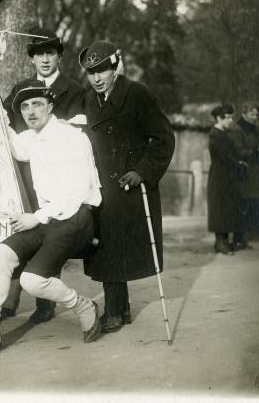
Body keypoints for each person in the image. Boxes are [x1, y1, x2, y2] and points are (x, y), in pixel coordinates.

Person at [0, 81, 103, 353]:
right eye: (25, 107)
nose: (30, 112)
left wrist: (37, 218)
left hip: (76, 217)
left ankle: (83, 305)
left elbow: (75, 193)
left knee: (32, 280)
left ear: (50, 107)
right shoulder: (32, 137)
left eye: (37, 104)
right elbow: (15, 145)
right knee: (0, 254)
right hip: (47, 218)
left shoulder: (73, 137)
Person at [0, 27, 86, 324]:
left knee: (51, 235)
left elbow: (80, 127)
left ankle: (45, 303)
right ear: (31, 59)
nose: (44, 59)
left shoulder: (76, 90)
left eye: (49, 53)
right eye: (38, 54)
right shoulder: (22, 88)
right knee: (23, 237)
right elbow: (9, 126)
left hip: (59, 176)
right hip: (28, 174)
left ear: (59, 56)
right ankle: (9, 301)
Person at [79, 40, 175, 334]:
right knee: (105, 247)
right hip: (100, 186)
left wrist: (141, 172)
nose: (96, 78)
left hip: (129, 184)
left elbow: (163, 138)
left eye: (102, 71)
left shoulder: (137, 94)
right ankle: (117, 308)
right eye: (91, 72)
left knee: (120, 245)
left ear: (115, 67)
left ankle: (116, 311)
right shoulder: (87, 100)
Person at [207, 103, 242, 254]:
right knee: (219, 208)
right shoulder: (215, 134)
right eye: (227, 118)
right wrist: (238, 163)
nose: (230, 121)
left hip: (227, 175)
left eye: (231, 118)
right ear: (218, 119)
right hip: (220, 175)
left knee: (227, 207)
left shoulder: (225, 134)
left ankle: (224, 241)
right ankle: (220, 242)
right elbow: (224, 156)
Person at [229, 102, 259, 248]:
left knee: (250, 206)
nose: (255, 117)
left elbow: (257, 145)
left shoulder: (255, 129)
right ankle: (237, 240)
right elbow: (237, 150)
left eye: (256, 114)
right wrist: (254, 154)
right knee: (241, 206)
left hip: (254, 173)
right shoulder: (238, 129)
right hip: (243, 173)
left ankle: (243, 239)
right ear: (244, 114)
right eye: (252, 114)